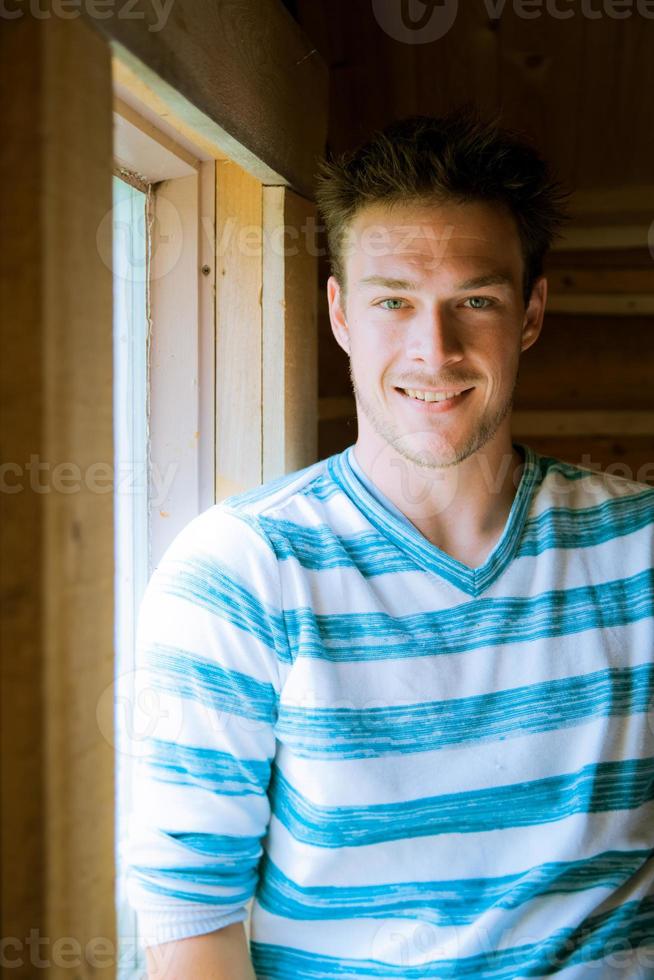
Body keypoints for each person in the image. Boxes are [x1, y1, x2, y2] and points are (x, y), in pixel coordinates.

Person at [125, 108, 654, 978]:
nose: (433, 350)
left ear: (530, 313)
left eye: (474, 302)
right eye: (394, 302)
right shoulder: (240, 572)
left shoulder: (638, 551)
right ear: (340, 314)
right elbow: (191, 932)